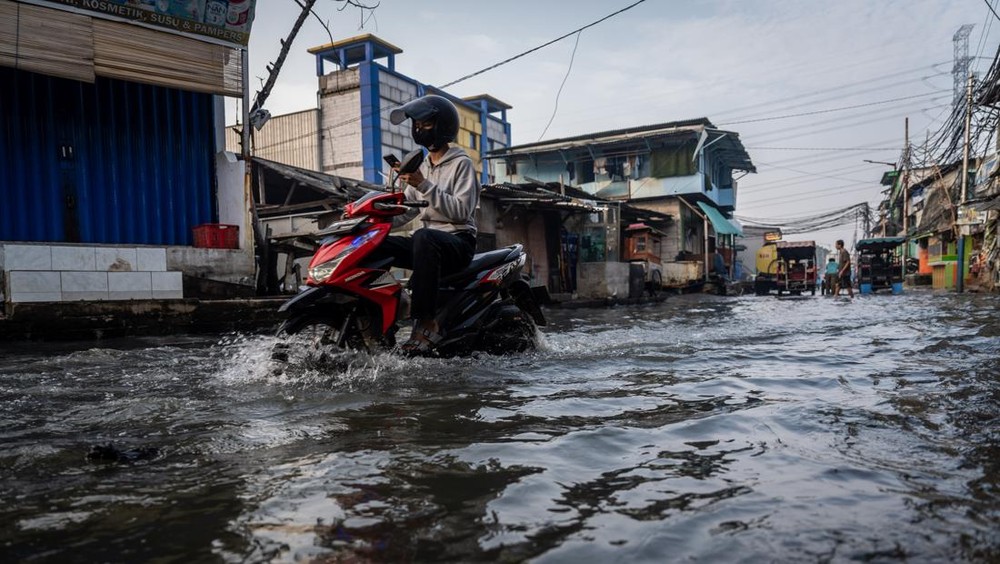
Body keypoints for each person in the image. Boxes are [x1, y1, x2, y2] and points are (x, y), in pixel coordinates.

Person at [370, 95, 480, 354]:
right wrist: (373, 222)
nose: (419, 129)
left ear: (442, 126)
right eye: (416, 124)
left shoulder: (461, 164)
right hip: (428, 246)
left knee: (423, 236)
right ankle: (384, 313)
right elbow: (408, 210)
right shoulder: (423, 167)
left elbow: (462, 212)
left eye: (426, 124)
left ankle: (426, 321)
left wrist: (423, 184)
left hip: (458, 243)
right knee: (375, 244)